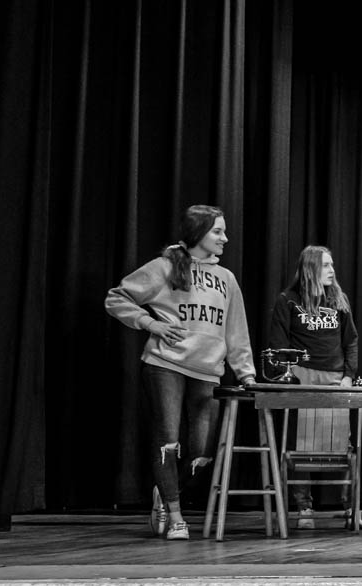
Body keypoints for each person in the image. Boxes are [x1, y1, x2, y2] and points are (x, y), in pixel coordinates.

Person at [104, 205, 256, 541]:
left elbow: (236, 330)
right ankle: (175, 515)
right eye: (218, 231)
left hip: (208, 371)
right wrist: (150, 322)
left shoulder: (226, 279)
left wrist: (246, 373)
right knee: (167, 443)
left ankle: (165, 490)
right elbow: (117, 298)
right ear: (198, 232)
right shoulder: (165, 266)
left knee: (202, 452)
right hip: (166, 365)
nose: (225, 238)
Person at [267, 245, 362, 530]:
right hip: (303, 377)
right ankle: (304, 507)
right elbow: (278, 344)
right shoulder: (288, 300)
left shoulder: (338, 300)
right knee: (302, 445)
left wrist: (348, 376)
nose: (332, 270)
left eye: (332, 265)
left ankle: (351, 507)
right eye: (326, 265)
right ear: (310, 269)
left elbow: (351, 341)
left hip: (334, 379)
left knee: (342, 444)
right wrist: (290, 377)